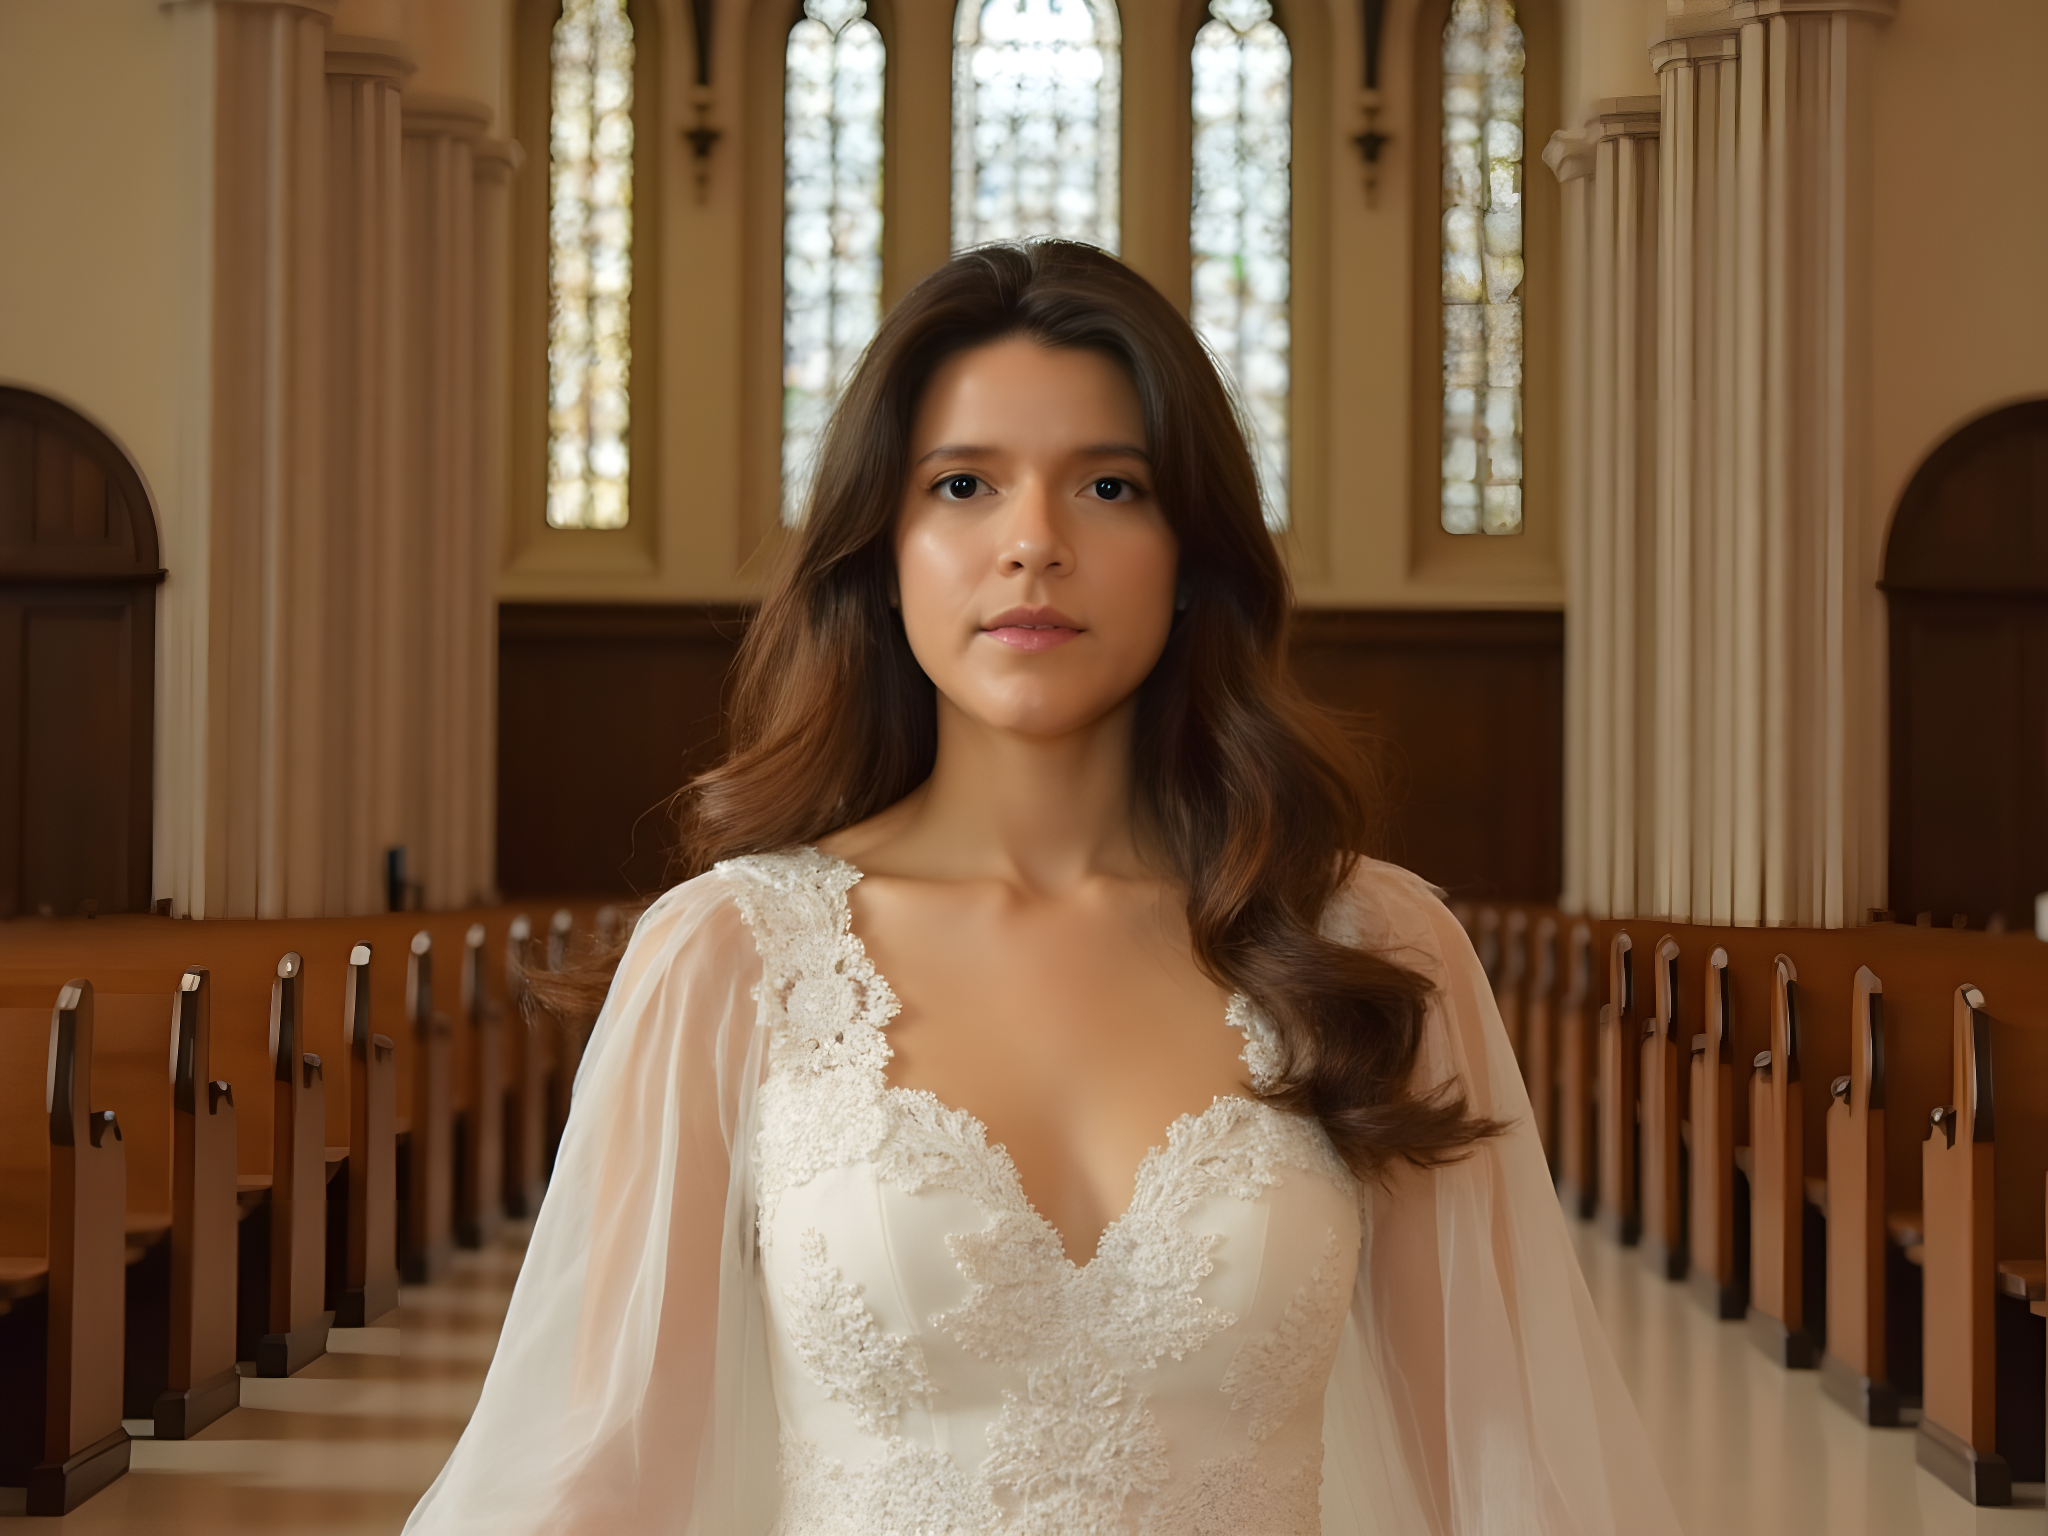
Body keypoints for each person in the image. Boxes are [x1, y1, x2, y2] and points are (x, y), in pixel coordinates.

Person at [404, 242, 1680, 1535]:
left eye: (1111, 486)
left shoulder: (1372, 944)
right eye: (963, 484)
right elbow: (594, 1470)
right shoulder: (732, 953)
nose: (1034, 545)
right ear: (881, 549)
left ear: (1192, 555)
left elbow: (1508, 1464)